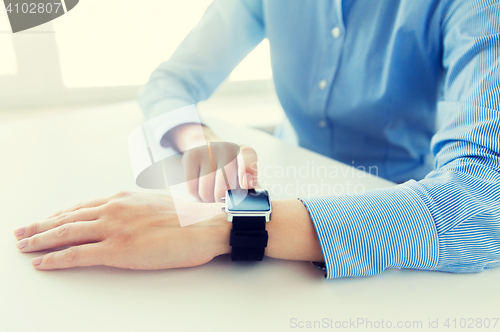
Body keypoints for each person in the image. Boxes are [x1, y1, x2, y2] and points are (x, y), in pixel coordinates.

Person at [14, 0, 500, 278]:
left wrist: (230, 225)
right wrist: (197, 139)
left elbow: (483, 204)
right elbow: (170, 83)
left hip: (396, 209)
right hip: (286, 183)